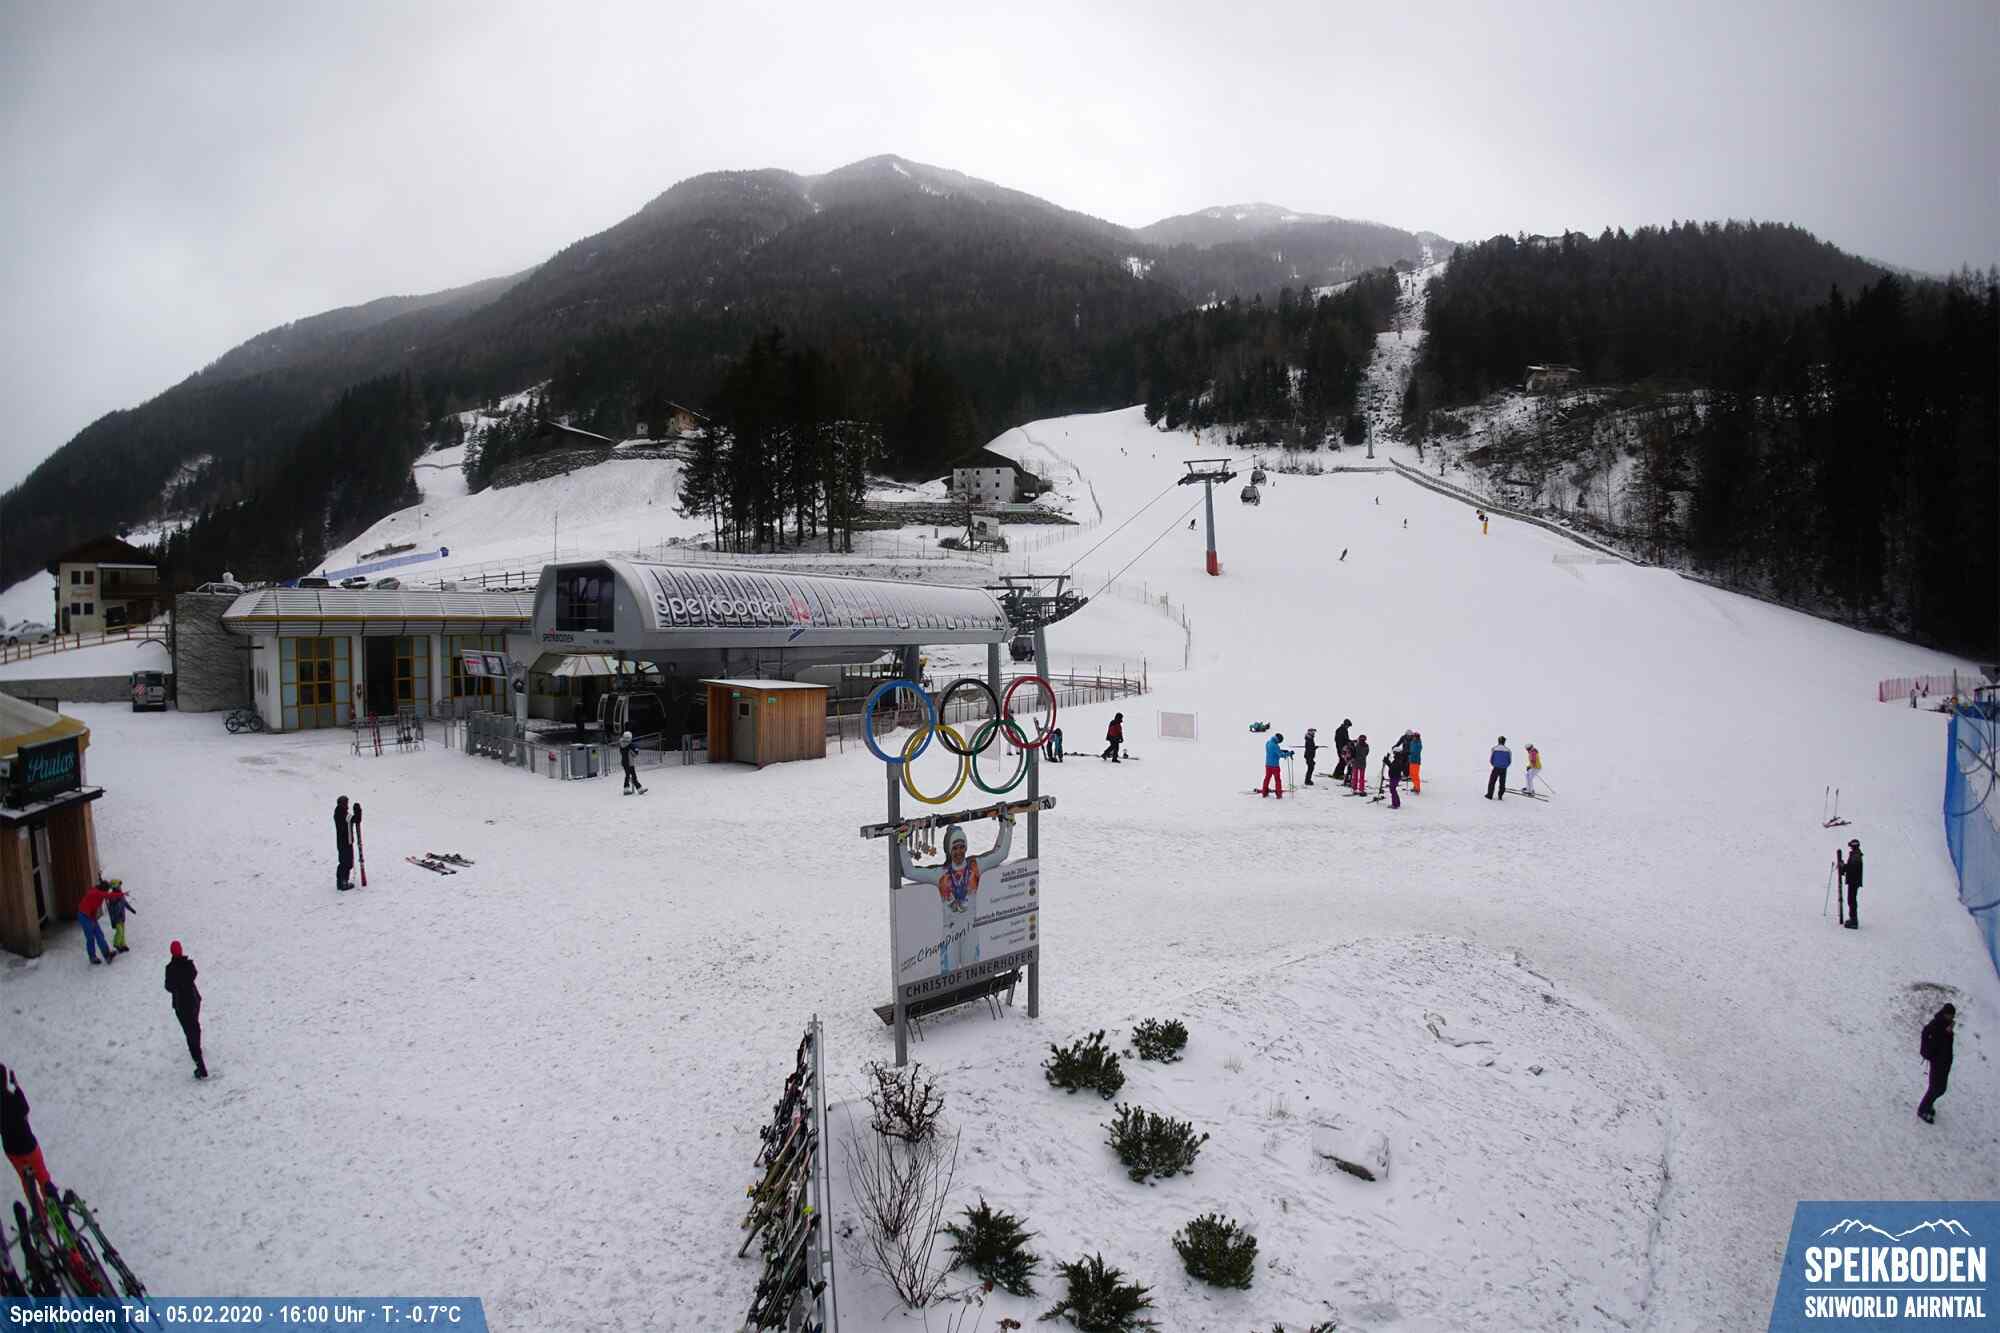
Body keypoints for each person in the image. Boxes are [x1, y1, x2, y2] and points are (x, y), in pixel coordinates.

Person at [895, 816, 1014, 974]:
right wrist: (902, 841)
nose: (959, 851)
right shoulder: (940, 873)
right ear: (949, 850)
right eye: (955, 848)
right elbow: (909, 872)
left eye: (962, 847)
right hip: (950, 931)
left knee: (971, 972)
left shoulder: (975, 866)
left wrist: (1007, 824)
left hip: (970, 929)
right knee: (948, 975)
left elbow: (1001, 854)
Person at [1, 1063, 50, 1210]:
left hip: (12, 1150)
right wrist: (16, 1086)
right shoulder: (14, 1097)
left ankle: (39, 1214)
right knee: (42, 1177)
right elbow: (25, 1112)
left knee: (27, 1183)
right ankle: (54, 1207)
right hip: (29, 1146)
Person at [164, 941, 206, 1079]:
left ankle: (199, 1062)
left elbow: (168, 986)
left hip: (181, 1004)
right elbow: (194, 974)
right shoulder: (188, 964)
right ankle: (197, 1049)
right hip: (193, 1000)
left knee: (189, 1031)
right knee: (195, 1026)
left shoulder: (170, 969)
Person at [1918, 1003, 1955, 1123]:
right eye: (1949, 1015)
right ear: (1944, 1013)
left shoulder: (1947, 1024)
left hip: (1945, 1062)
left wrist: (1949, 1032)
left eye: (1952, 1015)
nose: (1951, 1017)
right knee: (1935, 1087)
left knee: (1941, 1089)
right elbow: (1926, 1033)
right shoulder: (1937, 1023)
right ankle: (1922, 1110)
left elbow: (1946, 1043)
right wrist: (1926, 1051)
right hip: (1937, 1061)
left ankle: (1928, 1105)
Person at [75, 880, 121, 965]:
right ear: (103, 889)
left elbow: (95, 905)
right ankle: (92, 957)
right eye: (106, 890)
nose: (107, 892)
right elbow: (109, 895)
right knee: (90, 937)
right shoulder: (96, 893)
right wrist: (122, 894)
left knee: (99, 934)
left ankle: (107, 954)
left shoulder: (99, 892)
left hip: (91, 916)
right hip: (84, 916)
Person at [103, 878, 135, 953]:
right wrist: (115, 901)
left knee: (122, 931)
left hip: (122, 916)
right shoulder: (112, 896)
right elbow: (111, 907)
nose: (120, 887)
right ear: (115, 887)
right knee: (119, 931)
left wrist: (131, 909)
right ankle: (116, 943)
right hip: (116, 918)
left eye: (120, 886)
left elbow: (125, 903)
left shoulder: (121, 895)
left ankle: (123, 944)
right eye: (118, 886)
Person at [1838, 838, 1863, 929]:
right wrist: (1844, 866)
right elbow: (1851, 867)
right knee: (1851, 900)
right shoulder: (1855, 854)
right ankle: (1853, 919)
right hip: (1854, 881)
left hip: (1853, 881)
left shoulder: (1856, 856)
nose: (1850, 847)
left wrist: (1843, 867)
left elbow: (1852, 868)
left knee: (1851, 900)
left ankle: (1854, 921)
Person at [1261, 732, 1295, 798]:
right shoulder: (1275, 746)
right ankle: (1279, 794)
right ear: (1278, 739)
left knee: (1267, 778)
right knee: (1277, 780)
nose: (1279, 743)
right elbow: (1281, 755)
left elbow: (1273, 751)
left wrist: (1281, 750)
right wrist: (1288, 753)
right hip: (1275, 766)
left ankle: (1264, 792)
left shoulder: (1268, 743)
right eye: (1280, 741)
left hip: (1268, 765)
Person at [334, 795, 353, 892]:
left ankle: (344, 880)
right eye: (346, 803)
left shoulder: (343, 812)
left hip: (347, 841)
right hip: (343, 842)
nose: (347, 806)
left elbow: (352, 819)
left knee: (348, 862)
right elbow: (349, 820)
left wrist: (357, 814)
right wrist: (356, 816)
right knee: (344, 862)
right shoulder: (339, 813)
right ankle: (342, 882)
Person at [620, 730, 646, 795]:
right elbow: (635, 754)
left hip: (624, 762)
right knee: (633, 776)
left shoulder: (621, 744)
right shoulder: (630, 745)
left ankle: (627, 789)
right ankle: (639, 789)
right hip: (630, 763)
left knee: (628, 775)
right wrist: (636, 750)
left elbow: (622, 753)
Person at [1486, 736, 1511, 800]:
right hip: (1504, 768)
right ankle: (1500, 796)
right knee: (1502, 782)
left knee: (1492, 781)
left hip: (1496, 768)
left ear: (1498, 741)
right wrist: (1505, 765)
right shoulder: (1508, 750)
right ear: (1504, 742)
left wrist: (1494, 764)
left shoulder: (1494, 749)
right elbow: (1509, 760)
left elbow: (1491, 759)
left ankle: (1489, 795)